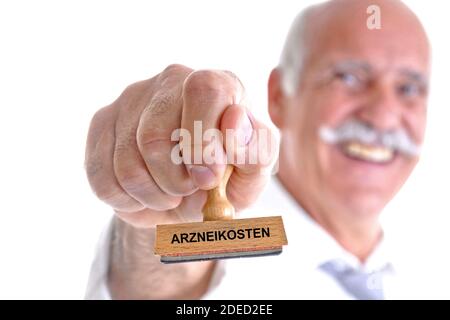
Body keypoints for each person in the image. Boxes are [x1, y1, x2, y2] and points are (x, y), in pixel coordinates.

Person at [84, 0, 432, 299]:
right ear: (280, 96)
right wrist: (158, 222)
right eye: (349, 78)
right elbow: (161, 285)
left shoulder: (426, 274)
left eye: (408, 88)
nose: (384, 116)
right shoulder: (219, 261)